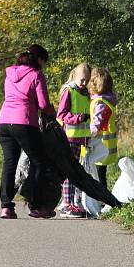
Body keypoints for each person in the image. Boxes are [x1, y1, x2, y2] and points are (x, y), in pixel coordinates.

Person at [0, 44, 57, 219]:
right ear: (38, 59)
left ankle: (6, 207)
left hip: (4, 122)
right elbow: (44, 105)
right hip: (24, 123)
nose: (43, 66)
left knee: (9, 163)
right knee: (39, 163)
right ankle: (36, 206)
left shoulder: (9, 75)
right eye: (43, 62)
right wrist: (53, 114)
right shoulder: (36, 75)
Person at [56, 63, 92, 217]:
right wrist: (78, 118)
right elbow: (61, 114)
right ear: (75, 76)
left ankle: (73, 202)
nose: (84, 83)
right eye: (82, 80)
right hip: (70, 137)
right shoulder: (69, 91)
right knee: (69, 171)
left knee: (76, 172)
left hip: (81, 139)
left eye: (87, 80)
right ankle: (66, 204)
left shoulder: (85, 93)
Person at [88, 67, 118, 190]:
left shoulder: (99, 102)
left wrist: (87, 135)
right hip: (106, 145)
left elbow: (96, 123)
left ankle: (103, 200)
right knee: (101, 175)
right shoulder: (108, 99)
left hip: (99, 144)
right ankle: (104, 199)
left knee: (99, 177)